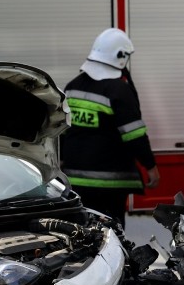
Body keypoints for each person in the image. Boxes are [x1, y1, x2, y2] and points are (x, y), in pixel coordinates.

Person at [60, 28, 160, 227]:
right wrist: (150, 166)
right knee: (113, 233)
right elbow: (134, 134)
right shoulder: (118, 89)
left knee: (83, 231)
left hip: (75, 180)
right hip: (111, 183)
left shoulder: (72, 87)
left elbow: (62, 131)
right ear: (120, 57)